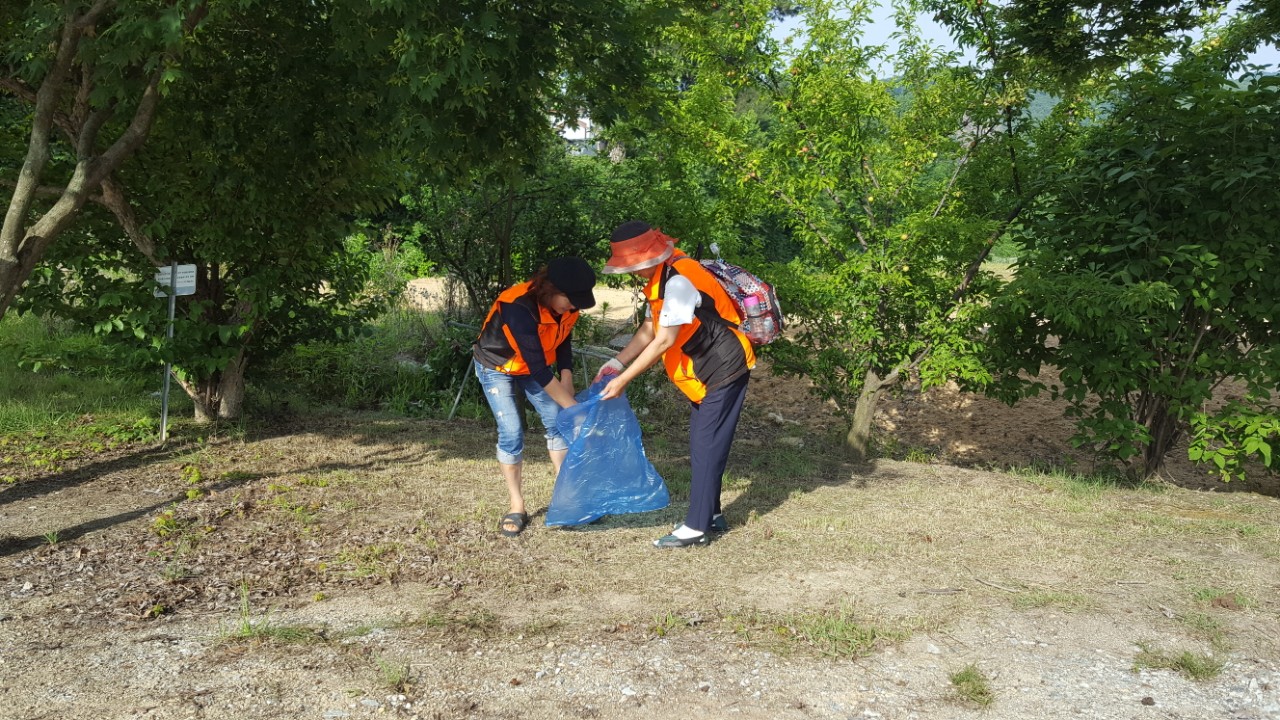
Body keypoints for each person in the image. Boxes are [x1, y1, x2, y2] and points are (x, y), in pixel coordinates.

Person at [595, 221, 755, 548]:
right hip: (702, 372)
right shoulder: (662, 276)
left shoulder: (679, 280)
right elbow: (649, 328)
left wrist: (623, 380)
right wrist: (617, 363)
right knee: (702, 444)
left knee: (707, 445)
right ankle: (711, 514)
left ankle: (696, 528)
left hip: (723, 367)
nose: (632, 272)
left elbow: (664, 341)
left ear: (651, 256)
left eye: (633, 264)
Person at [472, 256, 597, 537]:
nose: (574, 306)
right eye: (570, 300)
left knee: (557, 423)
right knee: (511, 431)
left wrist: (566, 376)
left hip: (532, 366)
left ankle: (567, 499)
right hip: (497, 366)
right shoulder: (518, 307)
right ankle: (517, 505)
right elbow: (539, 370)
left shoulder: (567, 307)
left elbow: (563, 340)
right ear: (551, 289)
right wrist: (574, 410)